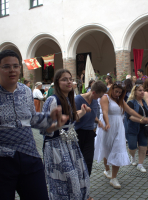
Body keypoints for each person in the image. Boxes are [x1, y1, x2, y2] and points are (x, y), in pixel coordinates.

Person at [0, 49, 68, 200]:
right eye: (6, 66)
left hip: (29, 155)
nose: (12, 70)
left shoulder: (25, 91)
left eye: (16, 66)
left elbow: (31, 119)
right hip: (3, 160)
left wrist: (51, 118)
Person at [41, 69, 92, 200]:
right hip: (56, 145)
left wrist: (82, 112)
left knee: (78, 175)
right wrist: (57, 125)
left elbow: (70, 119)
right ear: (57, 82)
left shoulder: (69, 99)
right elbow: (44, 128)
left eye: (70, 79)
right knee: (65, 179)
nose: (69, 82)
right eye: (64, 79)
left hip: (70, 144)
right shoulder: (52, 100)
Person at [94, 81, 148, 189]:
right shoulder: (105, 97)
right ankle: (107, 170)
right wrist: (107, 123)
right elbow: (105, 112)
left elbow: (129, 110)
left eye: (120, 92)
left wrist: (141, 117)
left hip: (119, 127)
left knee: (118, 149)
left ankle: (114, 178)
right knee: (107, 149)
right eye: (116, 92)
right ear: (112, 89)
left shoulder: (120, 100)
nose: (118, 94)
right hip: (107, 126)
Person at [75, 81, 107, 176]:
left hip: (90, 133)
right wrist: (82, 111)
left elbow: (93, 115)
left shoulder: (94, 101)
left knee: (88, 159)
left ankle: (86, 182)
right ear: (93, 92)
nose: (100, 98)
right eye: (99, 96)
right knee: (78, 159)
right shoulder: (78, 99)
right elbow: (73, 116)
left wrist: (98, 121)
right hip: (78, 132)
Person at [125, 84, 148, 173]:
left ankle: (140, 164)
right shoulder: (131, 102)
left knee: (143, 147)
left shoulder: (144, 102)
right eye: (140, 90)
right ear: (135, 92)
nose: (142, 92)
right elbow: (129, 116)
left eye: (143, 90)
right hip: (132, 128)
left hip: (144, 129)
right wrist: (141, 120)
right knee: (132, 147)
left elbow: (147, 115)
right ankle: (133, 156)